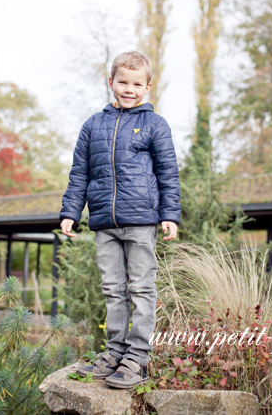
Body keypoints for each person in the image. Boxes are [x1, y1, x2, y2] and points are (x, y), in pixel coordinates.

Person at [59, 51, 181, 389]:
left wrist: (170, 215)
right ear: (111, 82)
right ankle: (114, 353)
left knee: (141, 287)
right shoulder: (92, 125)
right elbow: (79, 173)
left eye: (137, 83)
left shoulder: (155, 125)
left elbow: (168, 173)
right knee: (113, 289)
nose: (129, 89)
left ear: (148, 87)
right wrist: (71, 211)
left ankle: (137, 357)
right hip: (103, 222)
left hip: (142, 221)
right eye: (123, 82)